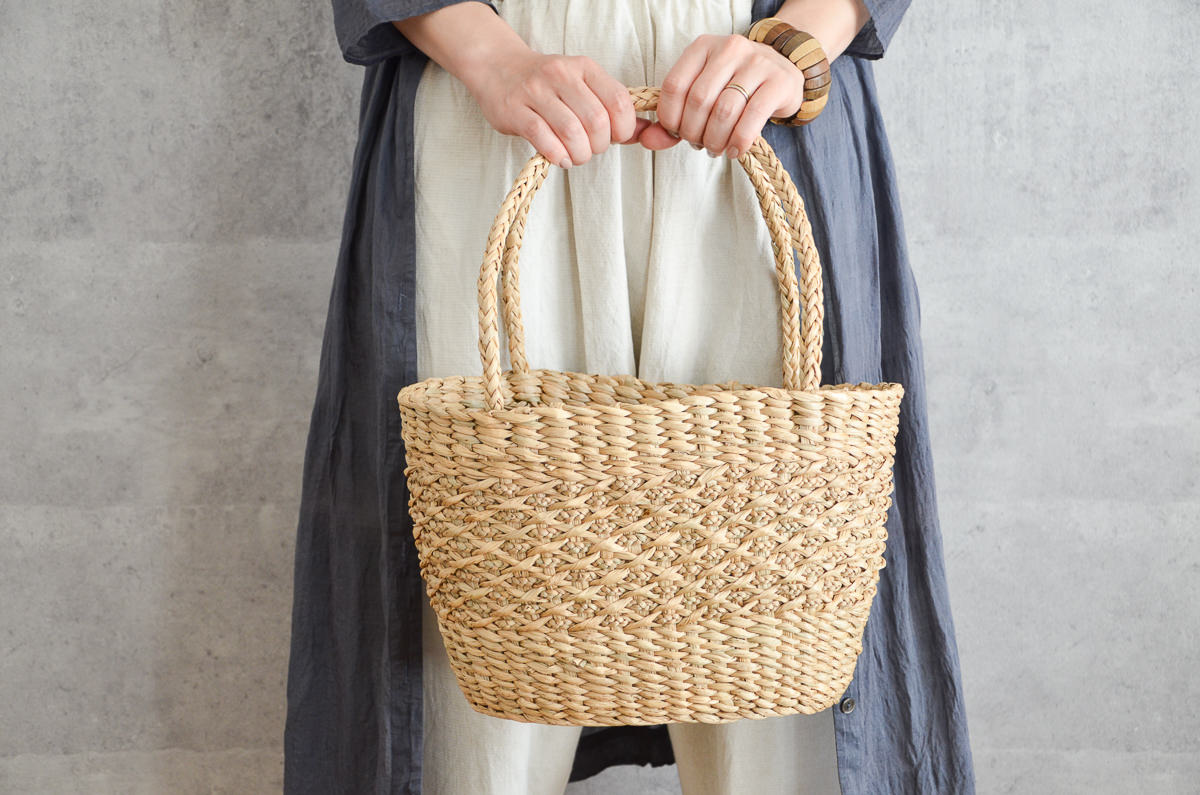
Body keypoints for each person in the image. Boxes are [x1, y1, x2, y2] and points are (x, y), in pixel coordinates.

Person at [285, 1, 978, 793]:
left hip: (765, 102)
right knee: (470, 647)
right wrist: (491, 58)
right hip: (491, 103)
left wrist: (799, 44)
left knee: (790, 635)